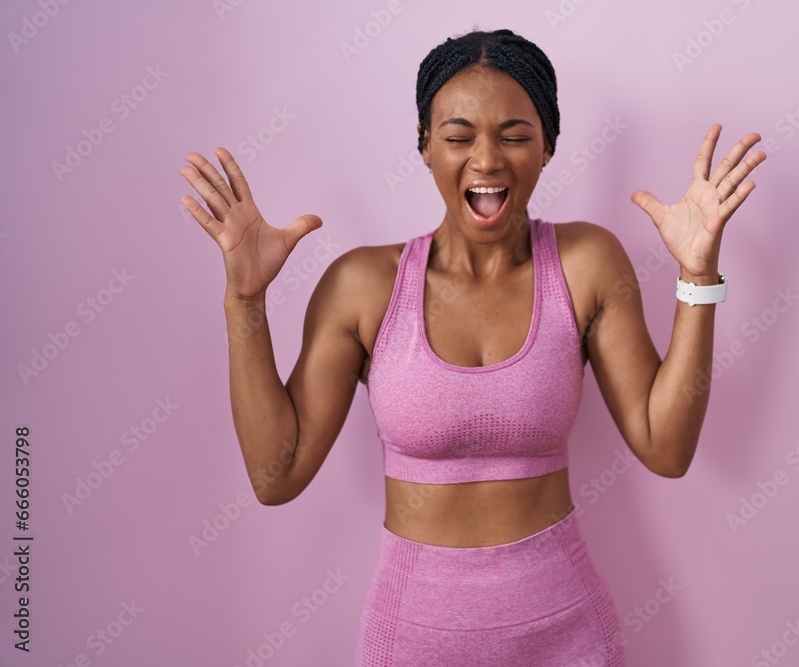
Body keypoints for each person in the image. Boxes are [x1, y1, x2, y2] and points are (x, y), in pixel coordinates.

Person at [179, 27, 764, 667]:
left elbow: (666, 447)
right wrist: (244, 302)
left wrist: (698, 277)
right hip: (411, 641)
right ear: (426, 149)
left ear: (547, 149)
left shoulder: (587, 262)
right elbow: (276, 476)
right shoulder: (363, 285)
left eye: (514, 135)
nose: (486, 160)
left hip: (566, 634)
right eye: (458, 137)